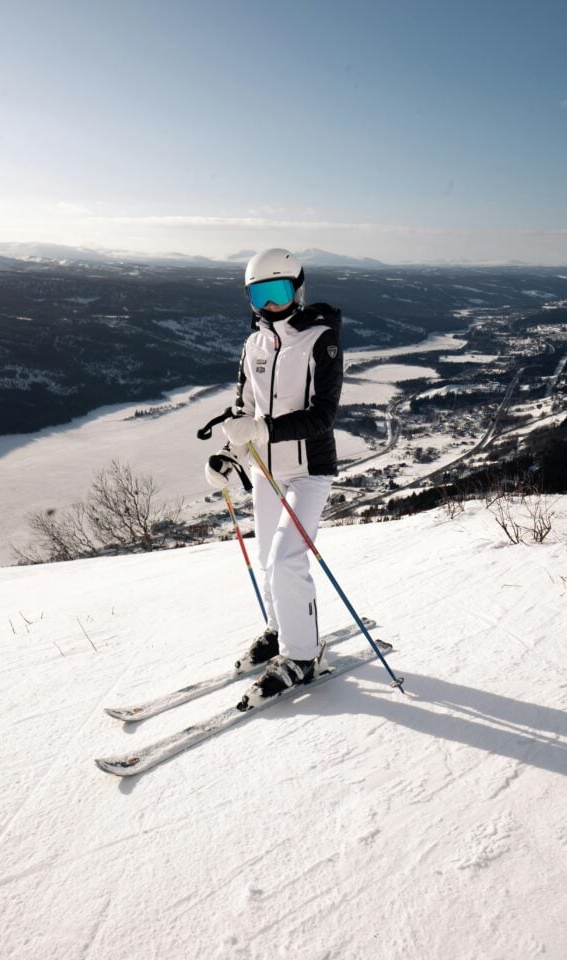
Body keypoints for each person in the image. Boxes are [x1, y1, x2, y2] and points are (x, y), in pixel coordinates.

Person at [204, 248, 343, 708]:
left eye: (278, 292)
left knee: (287, 558)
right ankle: (280, 628)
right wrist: (229, 455)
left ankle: (303, 657)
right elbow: (244, 411)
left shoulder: (322, 341)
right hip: (266, 469)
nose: (269, 305)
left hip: (309, 472)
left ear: (297, 290)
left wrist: (262, 430)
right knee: (267, 556)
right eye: (259, 295)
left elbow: (322, 416)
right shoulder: (253, 346)